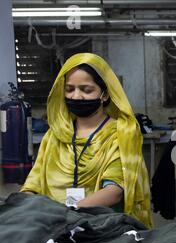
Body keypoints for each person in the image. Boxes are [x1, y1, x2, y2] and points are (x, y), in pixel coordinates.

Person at [21, 53, 153, 228]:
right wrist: (28, 209)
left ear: (105, 94)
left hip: (102, 228)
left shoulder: (120, 133)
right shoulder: (56, 135)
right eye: (69, 89)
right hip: (53, 227)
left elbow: (115, 190)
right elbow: (34, 184)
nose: (76, 96)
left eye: (86, 90)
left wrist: (69, 212)